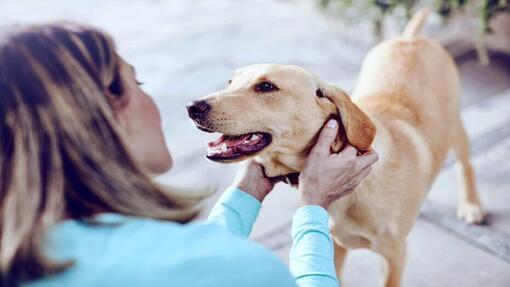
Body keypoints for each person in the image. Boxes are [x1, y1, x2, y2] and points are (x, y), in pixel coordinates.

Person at [0, 23, 378, 287]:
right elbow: (199, 265)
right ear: (103, 112)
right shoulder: (238, 270)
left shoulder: (21, 247)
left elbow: (184, 260)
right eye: (138, 83)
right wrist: (313, 208)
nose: (196, 105)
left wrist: (245, 195)